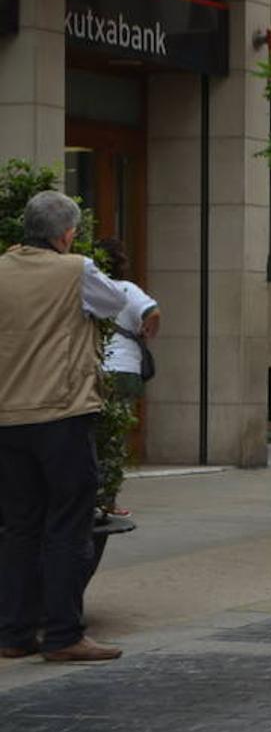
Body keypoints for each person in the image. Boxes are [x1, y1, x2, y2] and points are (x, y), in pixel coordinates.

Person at [0, 191, 159, 663]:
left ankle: (13, 633)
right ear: (66, 234)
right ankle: (64, 634)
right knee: (69, 523)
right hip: (62, 413)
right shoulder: (76, 270)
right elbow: (114, 304)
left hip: (8, 417)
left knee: (17, 526)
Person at [96, 237, 159, 517]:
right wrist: (148, 332)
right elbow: (152, 312)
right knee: (114, 436)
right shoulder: (126, 289)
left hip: (93, 368)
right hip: (123, 369)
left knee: (89, 433)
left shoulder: (89, 288)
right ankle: (107, 499)